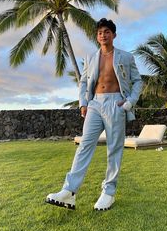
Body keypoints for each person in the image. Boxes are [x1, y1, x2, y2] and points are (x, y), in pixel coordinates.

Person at [46, 18, 142, 211]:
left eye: (106, 31)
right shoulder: (90, 57)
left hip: (117, 103)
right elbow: (83, 82)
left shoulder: (126, 57)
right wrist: (84, 103)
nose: (103, 35)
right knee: (84, 146)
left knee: (114, 149)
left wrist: (130, 102)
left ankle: (108, 193)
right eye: (99, 32)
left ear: (114, 35)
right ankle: (69, 192)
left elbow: (138, 82)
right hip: (95, 103)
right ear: (97, 36)